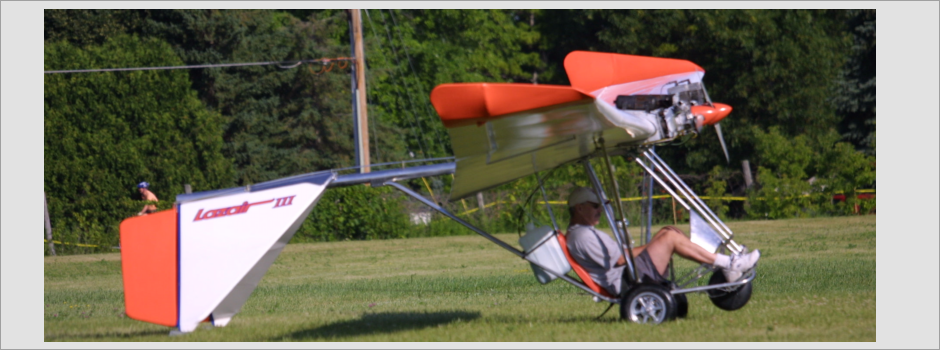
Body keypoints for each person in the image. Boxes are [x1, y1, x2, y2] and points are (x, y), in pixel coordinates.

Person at [564, 186, 760, 297]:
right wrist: (653, 245)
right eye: (595, 206)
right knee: (669, 237)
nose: (600, 210)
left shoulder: (583, 232)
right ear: (580, 208)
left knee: (669, 230)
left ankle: (722, 264)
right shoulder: (582, 236)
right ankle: (728, 264)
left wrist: (653, 243)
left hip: (627, 272)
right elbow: (621, 259)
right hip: (626, 279)